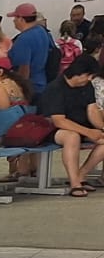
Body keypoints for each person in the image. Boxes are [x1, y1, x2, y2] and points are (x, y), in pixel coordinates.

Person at [37, 53, 104, 196]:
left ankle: (81, 174)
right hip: (53, 129)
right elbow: (59, 120)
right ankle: (74, 183)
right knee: (72, 137)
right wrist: (88, 132)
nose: (90, 79)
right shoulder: (55, 88)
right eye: (89, 76)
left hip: (81, 126)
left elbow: (92, 110)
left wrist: (101, 127)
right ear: (80, 74)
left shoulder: (87, 86)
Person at [6, 3, 53, 95]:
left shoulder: (23, 39)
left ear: (21, 19)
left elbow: (24, 70)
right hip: (42, 82)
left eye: (15, 18)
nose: (14, 21)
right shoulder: (42, 31)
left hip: (30, 87)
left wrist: (20, 91)